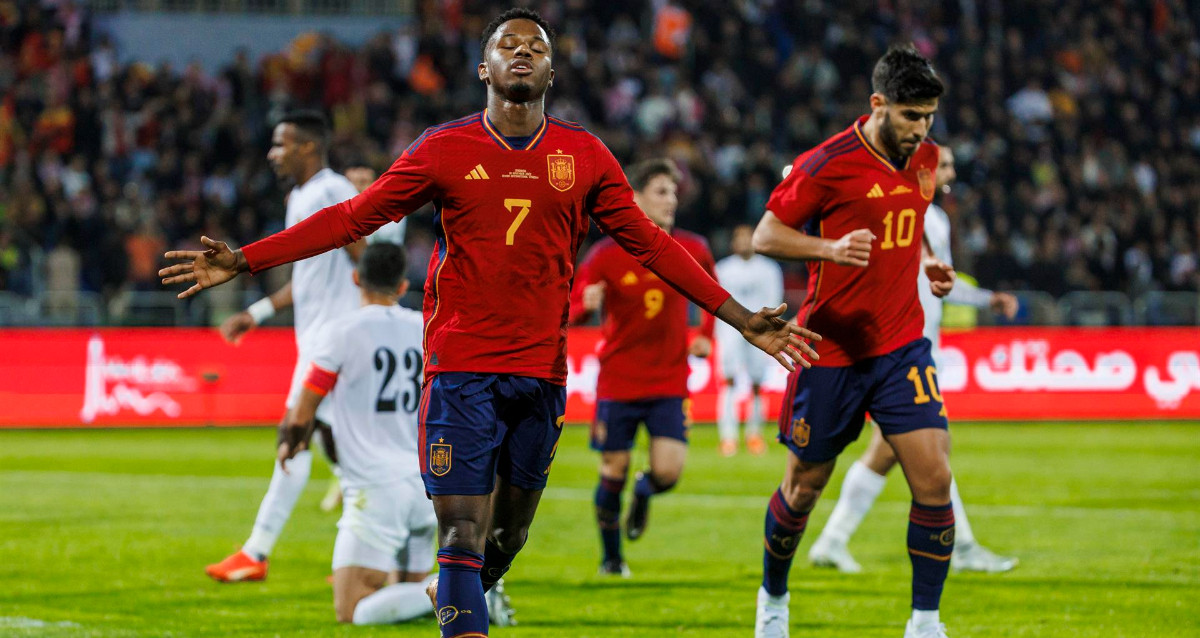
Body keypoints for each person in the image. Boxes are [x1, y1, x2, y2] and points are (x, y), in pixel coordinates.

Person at [160, 9, 818, 637]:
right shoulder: (444, 149)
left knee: (506, 539)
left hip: (539, 376)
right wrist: (246, 260)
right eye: (510, 45)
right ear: (484, 68)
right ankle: (459, 587)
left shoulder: (583, 156)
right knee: (461, 537)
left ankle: (466, 587)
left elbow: (650, 244)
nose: (524, 53)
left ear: (552, 74)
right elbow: (353, 218)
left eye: (537, 47)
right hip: (459, 374)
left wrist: (736, 319)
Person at [749, 46, 958, 638]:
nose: (921, 130)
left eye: (929, 117)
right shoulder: (826, 163)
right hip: (831, 350)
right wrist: (829, 250)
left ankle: (924, 623)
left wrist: (933, 264)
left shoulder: (927, 158)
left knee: (934, 478)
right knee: (803, 488)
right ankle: (773, 599)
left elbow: (908, 225)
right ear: (877, 104)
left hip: (900, 345)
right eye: (911, 115)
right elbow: (767, 234)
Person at [807, 145, 1020, 575]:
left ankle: (831, 542)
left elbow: (939, 279)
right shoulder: (907, 210)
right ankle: (961, 546)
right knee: (932, 445)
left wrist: (984, 299)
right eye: (944, 164)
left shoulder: (934, 218)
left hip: (919, 344)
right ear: (922, 168)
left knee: (890, 450)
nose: (951, 172)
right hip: (898, 347)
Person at [206, 111, 365, 583]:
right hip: (319, 335)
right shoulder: (301, 196)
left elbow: (364, 252)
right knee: (343, 448)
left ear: (308, 148)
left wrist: (373, 303)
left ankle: (256, 551)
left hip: (334, 338)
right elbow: (306, 278)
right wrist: (255, 313)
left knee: (293, 437)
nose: (273, 153)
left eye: (282, 144)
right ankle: (391, 545)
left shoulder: (332, 190)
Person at [569, 158, 715, 577]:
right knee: (611, 468)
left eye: (673, 192)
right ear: (635, 198)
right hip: (619, 381)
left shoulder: (694, 247)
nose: (671, 200)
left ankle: (645, 490)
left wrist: (705, 331)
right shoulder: (604, 255)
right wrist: (585, 308)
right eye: (661, 191)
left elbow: (713, 293)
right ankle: (612, 559)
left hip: (670, 380)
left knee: (668, 472)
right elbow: (574, 308)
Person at [277, 242, 435, 625]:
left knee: (352, 612)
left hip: (376, 489)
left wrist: (290, 443)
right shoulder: (424, 328)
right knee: (407, 606)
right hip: (428, 485)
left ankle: (465, 591)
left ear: (355, 279)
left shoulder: (341, 332)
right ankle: (452, 590)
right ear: (402, 287)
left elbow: (306, 405)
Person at [714, 224, 785, 457]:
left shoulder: (769, 269)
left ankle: (754, 435)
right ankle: (728, 437)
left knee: (756, 384)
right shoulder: (723, 268)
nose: (744, 242)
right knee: (729, 381)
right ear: (734, 243)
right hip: (729, 331)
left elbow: (775, 301)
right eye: (740, 238)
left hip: (761, 332)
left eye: (748, 237)